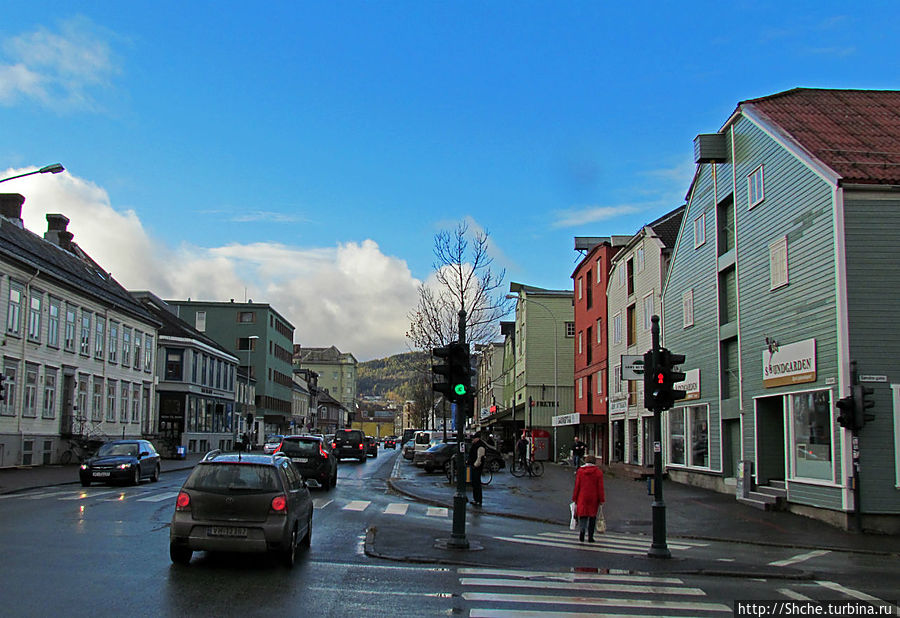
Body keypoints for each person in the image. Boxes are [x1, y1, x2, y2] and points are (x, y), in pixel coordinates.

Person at [572, 454, 605, 543]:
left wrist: (575, 498)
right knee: (592, 517)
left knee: (583, 515)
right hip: (594, 497)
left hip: (582, 496)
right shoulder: (598, 472)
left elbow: (577, 486)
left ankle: (582, 533)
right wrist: (601, 499)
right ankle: (590, 536)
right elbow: (600, 487)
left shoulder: (580, 471)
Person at [467, 433, 487, 507]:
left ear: (477, 438)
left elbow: (479, 458)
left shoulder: (480, 446)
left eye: (474, 438)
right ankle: (476, 499)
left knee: (476, 483)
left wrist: (475, 466)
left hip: (477, 467)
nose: (473, 440)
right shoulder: (476, 445)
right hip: (475, 466)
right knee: (475, 483)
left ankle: (478, 500)